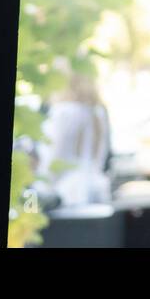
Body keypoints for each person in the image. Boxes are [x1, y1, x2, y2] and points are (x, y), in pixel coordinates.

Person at [39, 72, 113, 208]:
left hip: (65, 195)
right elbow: (100, 159)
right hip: (95, 190)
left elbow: (51, 161)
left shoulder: (63, 112)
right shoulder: (97, 112)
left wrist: (40, 190)